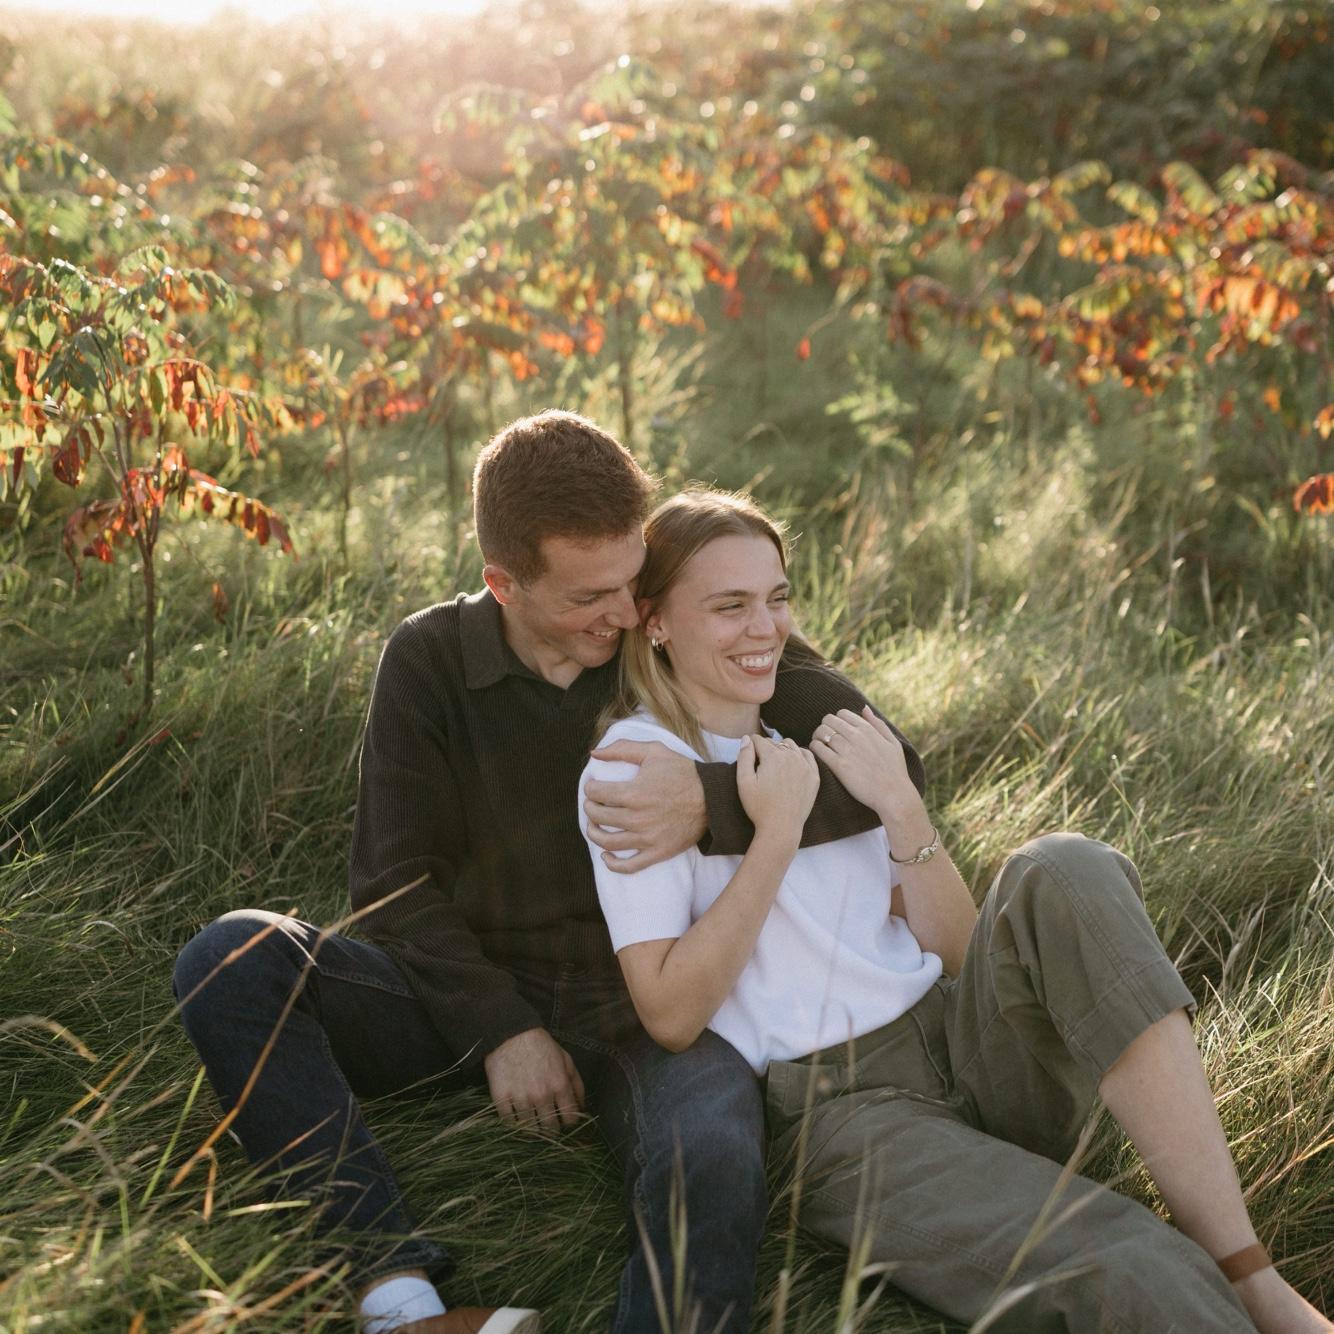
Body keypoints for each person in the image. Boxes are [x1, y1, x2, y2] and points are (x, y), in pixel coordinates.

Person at [172, 411, 912, 1334]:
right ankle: (401, 1306)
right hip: (464, 993)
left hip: (648, 1005)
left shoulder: (665, 623)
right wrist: (502, 1028)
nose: (623, 612)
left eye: (631, 581)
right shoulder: (429, 660)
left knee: (717, 1151)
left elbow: (897, 767)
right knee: (232, 959)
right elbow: (393, 883)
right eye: (589, 596)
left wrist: (708, 800)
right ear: (504, 584)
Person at [579, 487, 1331, 1334]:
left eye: (777, 597)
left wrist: (903, 810)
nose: (765, 628)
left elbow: (958, 953)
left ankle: (1245, 1265)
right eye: (730, 606)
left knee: (1063, 865)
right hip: (842, 1112)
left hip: (952, 1035)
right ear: (655, 621)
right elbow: (671, 1014)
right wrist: (773, 833)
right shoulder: (635, 771)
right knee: (1134, 1264)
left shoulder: (817, 735)